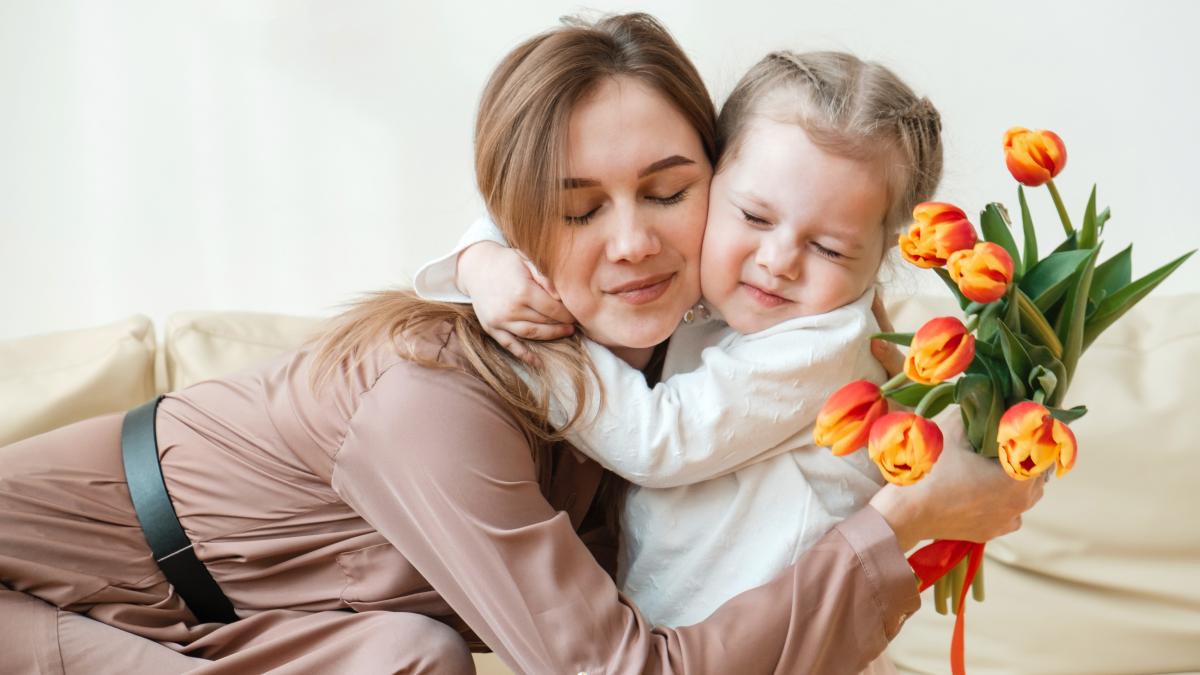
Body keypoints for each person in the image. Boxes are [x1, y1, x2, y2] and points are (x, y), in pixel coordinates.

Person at [0, 13, 1042, 674]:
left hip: (249, 620)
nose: (633, 244)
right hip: (34, 585)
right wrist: (901, 521)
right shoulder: (439, 401)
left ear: (716, 186)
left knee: (409, 658)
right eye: (575, 208)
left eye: (671, 192)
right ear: (519, 219)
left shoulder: (713, 342)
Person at [414, 49, 976, 674]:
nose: (779, 260)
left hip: (782, 651)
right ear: (708, 185)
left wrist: (532, 339)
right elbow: (548, 202)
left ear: (880, 258)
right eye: (754, 217)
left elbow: (659, 441)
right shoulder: (723, 295)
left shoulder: (822, 341)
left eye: (828, 248)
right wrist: (484, 261)